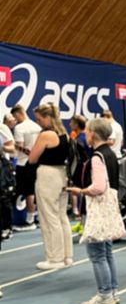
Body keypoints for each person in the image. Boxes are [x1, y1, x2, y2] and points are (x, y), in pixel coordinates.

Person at [65, 118, 121, 304]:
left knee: (97, 253)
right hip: (110, 207)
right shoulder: (111, 153)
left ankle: (105, 294)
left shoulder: (97, 157)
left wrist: (80, 191)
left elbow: (98, 186)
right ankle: (112, 291)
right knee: (106, 251)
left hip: (98, 209)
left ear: (93, 134)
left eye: (87, 132)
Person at [28, 104, 73, 270]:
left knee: (49, 218)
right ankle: (67, 256)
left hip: (48, 176)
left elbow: (32, 159)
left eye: (39, 119)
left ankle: (55, 259)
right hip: (62, 174)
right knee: (61, 216)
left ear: (48, 117)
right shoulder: (64, 134)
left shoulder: (46, 134)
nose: (38, 122)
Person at [11, 104, 41, 232]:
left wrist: (12, 145)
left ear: (18, 113)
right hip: (37, 162)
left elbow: (20, 147)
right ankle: (34, 216)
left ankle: (29, 220)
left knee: (28, 191)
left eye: (15, 117)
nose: (15, 119)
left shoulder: (19, 128)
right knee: (34, 190)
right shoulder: (37, 127)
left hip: (24, 162)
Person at [0, 117, 15, 241]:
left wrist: (1, 148)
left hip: (2, 169)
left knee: (3, 198)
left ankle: (7, 228)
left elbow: (12, 148)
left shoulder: (2, 128)